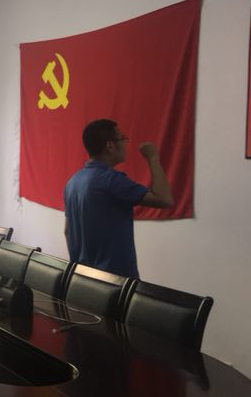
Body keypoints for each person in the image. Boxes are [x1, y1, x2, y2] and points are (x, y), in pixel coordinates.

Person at [63, 119, 174, 278]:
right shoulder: (111, 180)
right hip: (115, 281)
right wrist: (153, 158)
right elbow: (164, 199)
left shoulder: (73, 182)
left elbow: (67, 231)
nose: (125, 144)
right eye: (122, 139)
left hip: (82, 278)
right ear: (110, 146)